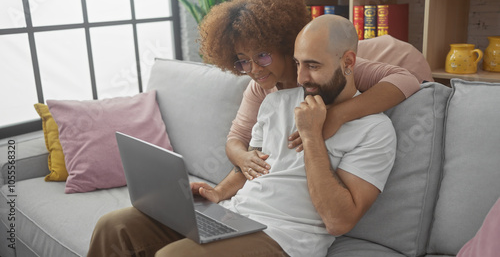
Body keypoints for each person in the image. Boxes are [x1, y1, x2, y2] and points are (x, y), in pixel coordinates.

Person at [87, 14, 396, 257]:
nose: (301, 78)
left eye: (313, 66)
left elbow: (338, 221)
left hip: (285, 239)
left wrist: (313, 136)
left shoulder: (375, 130)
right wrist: (218, 193)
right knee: (114, 227)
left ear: (349, 62)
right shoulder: (275, 100)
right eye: (299, 63)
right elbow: (253, 165)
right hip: (235, 216)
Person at [198, 0, 425, 181]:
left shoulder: (324, 70)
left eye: (263, 55)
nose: (254, 69)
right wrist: (243, 157)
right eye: (243, 61)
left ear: (283, 43)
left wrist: (338, 114)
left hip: (402, 57)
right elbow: (237, 137)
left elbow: (406, 79)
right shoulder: (259, 88)